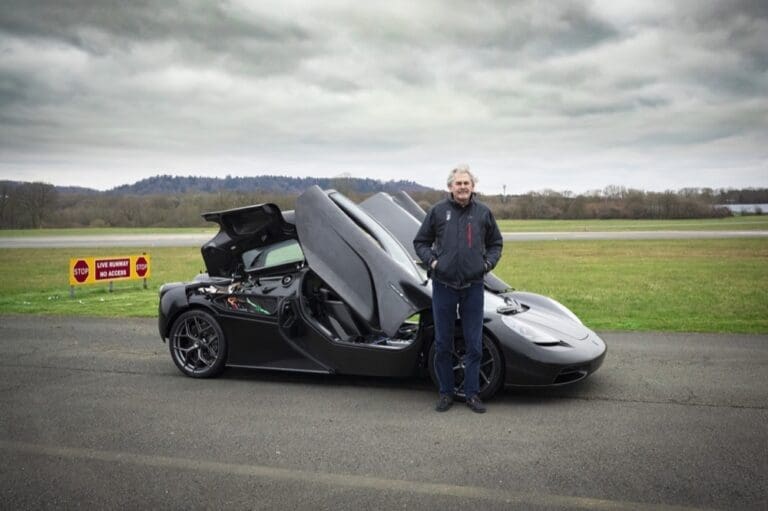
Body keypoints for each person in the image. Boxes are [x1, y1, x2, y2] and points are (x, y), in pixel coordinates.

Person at [414, 164, 503, 413]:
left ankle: (472, 394)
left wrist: (486, 265)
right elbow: (420, 242)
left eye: (467, 183)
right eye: (458, 183)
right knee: (443, 343)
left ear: (473, 186)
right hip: (444, 286)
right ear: (450, 187)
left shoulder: (483, 213)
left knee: (474, 343)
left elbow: (496, 243)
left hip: (473, 287)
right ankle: (446, 393)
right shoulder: (438, 212)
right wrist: (433, 261)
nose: (462, 187)